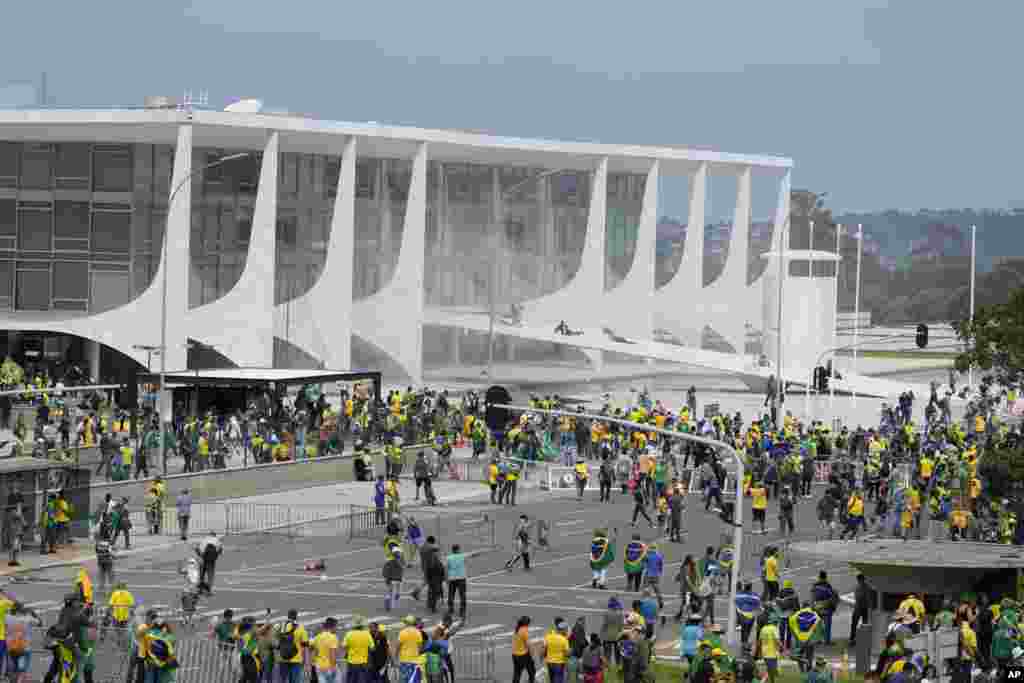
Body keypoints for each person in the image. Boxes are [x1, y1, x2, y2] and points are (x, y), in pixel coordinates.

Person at [274, 608, 309, 683]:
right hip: (296, 658)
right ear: (296, 616)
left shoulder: (280, 627)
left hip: (282, 658)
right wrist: (306, 662)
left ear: (288, 616)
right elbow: (305, 646)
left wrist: (276, 657)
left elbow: (276, 643)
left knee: (282, 680)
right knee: (295, 680)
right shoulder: (301, 628)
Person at [341, 614, 374, 683]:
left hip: (351, 661)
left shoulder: (349, 634)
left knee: (351, 680)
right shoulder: (366, 634)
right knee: (362, 680)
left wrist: (349, 650)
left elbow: (344, 646)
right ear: (362, 625)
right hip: (363, 662)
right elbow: (372, 648)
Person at [310, 617, 340, 683]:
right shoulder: (333, 637)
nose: (337, 628)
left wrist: (313, 664)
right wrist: (333, 667)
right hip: (329, 666)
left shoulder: (318, 637)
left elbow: (314, 652)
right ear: (332, 626)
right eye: (336, 626)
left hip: (319, 666)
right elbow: (332, 654)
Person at [397, 614, 424, 682]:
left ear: (406, 623)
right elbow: (420, 648)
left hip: (404, 660)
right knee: (413, 679)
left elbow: (398, 646)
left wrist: (395, 656)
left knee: (404, 679)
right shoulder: (418, 633)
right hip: (414, 660)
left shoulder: (402, 633)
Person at [543, 618, 570, 683]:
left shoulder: (548, 636)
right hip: (559, 663)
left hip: (549, 662)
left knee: (552, 679)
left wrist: (542, 657)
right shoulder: (564, 640)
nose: (566, 630)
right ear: (562, 630)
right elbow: (567, 653)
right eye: (565, 629)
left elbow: (544, 649)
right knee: (558, 679)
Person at [195, 531, 223, 595]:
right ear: (215, 535)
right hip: (211, 560)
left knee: (201, 575)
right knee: (210, 575)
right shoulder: (217, 540)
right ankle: (209, 590)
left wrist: (200, 555)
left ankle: (199, 590)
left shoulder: (204, 539)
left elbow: (198, 549)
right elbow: (220, 551)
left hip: (203, 558)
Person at [512, 615, 536, 683]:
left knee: (517, 673)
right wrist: (532, 655)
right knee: (532, 672)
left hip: (515, 654)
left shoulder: (517, 629)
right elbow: (528, 644)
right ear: (527, 623)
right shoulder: (524, 631)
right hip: (523, 655)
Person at [446, 544, 468, 619]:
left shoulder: (448, 558)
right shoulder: (462, 556)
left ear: (452, 550)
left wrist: (446, 579)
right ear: (458, 549)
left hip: (452, 578)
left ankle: (450, 609)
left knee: (451, 594)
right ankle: (462, 611)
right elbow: (466, 561)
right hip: (461, 578)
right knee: (462, 595)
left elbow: (447, 568)